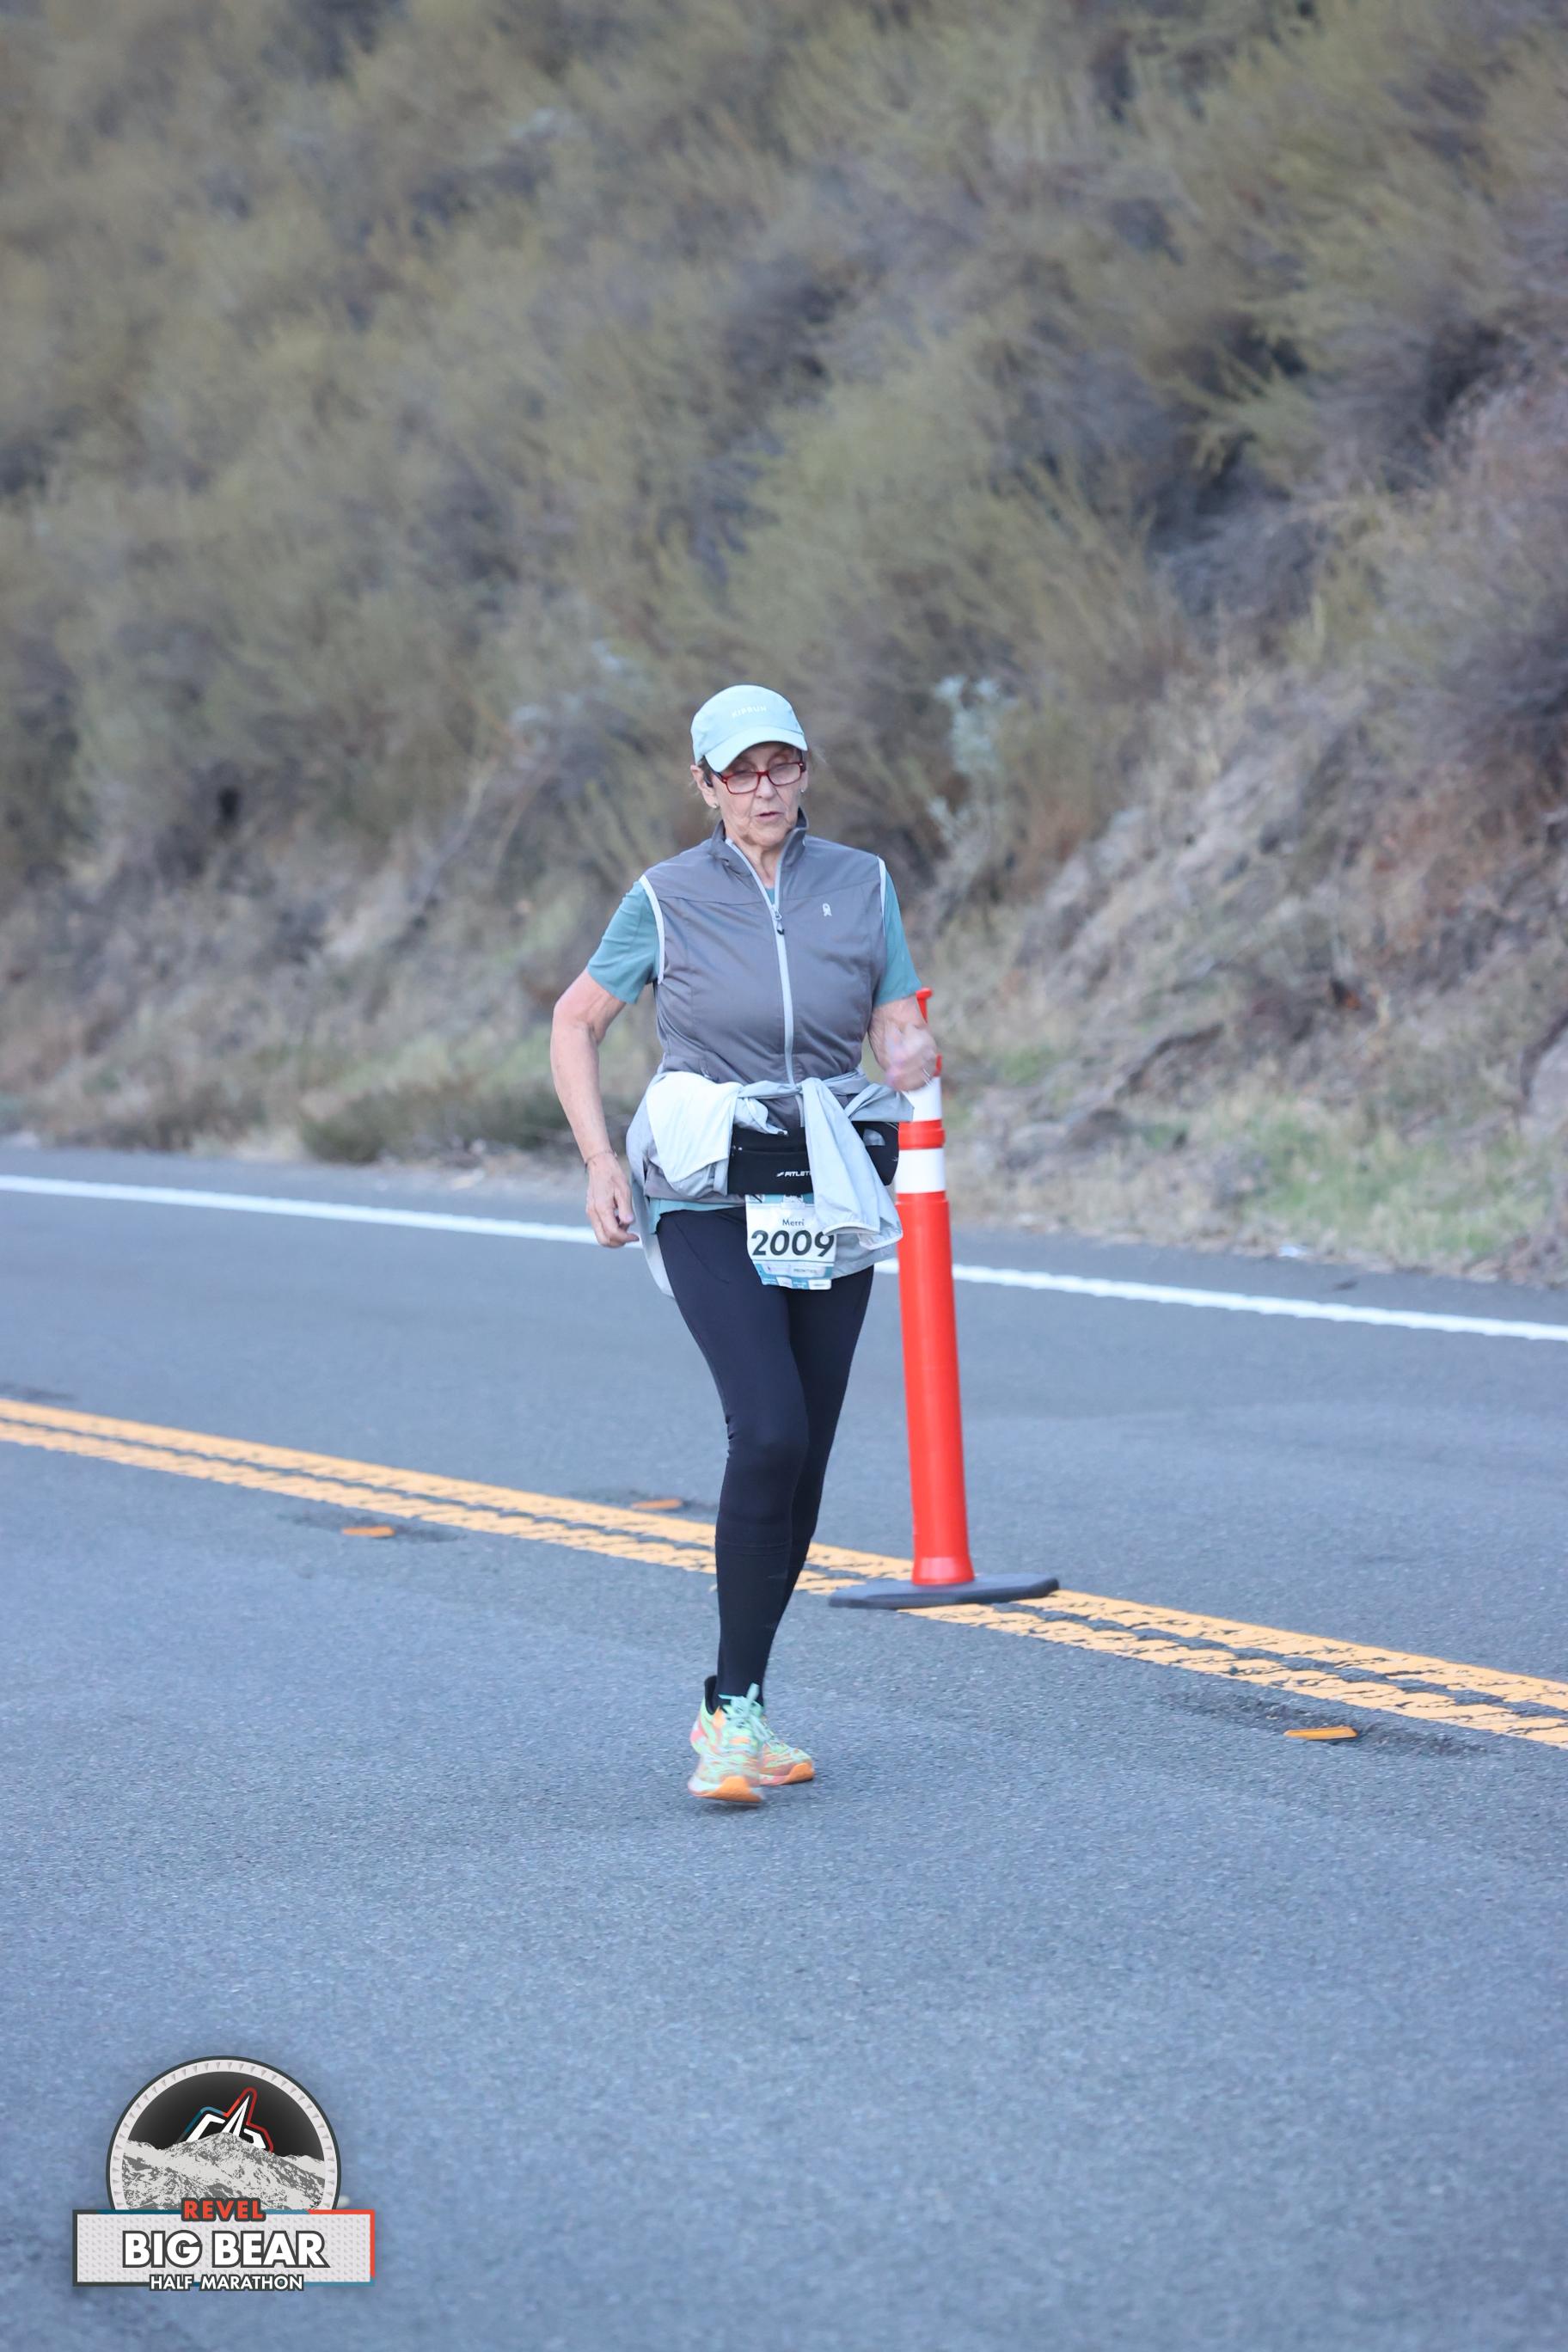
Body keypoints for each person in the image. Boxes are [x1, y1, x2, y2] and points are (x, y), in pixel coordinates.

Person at [551, 683, 939, 1804]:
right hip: (707, 1179)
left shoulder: (862, 883)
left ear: (805, 771)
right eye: (740, 772)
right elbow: (576, 1020)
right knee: (765, 1426)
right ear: (706, 785)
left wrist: (910, 1050)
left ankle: (744, 1703)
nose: (764, 788)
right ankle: (726, 1720)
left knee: (803, 1453)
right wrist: (599, 1160)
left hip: (824, 1175)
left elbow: (896, 1016)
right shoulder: (666, 896)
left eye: (782, 766)